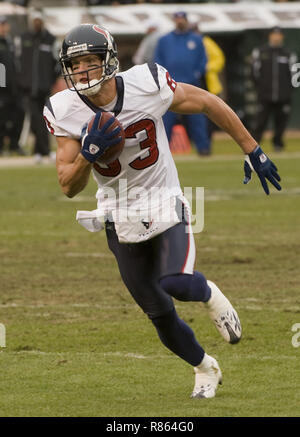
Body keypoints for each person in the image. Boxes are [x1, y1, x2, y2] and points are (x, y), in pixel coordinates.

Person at [43, 24, 281, 399]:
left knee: (177, 283)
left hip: (163, 198)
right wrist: (89, 154)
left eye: (91, 60)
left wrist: (252, 148)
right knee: (158, 312)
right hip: (117, 211)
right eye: (76, 63)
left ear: (110, 61)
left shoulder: (146, 82)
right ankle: (205, 368)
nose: (84, 70)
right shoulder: (64, 109)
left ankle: (211, 296)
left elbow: (206, 101)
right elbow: (68, 186)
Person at [154, 11, 210, 155]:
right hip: (170, 87)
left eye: (182, 19)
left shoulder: (196, 40)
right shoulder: (164, 40)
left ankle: (203, 149)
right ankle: (161, 152)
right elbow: (158, 61)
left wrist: (196, 73)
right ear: (174, 21)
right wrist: (165, 79)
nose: (180, 21)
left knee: (197, 118)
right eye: (177, 19)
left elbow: (203, 60)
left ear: (186, 20)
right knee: (165, 120)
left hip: (192, 86)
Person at [17, 9, 60, 162]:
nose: (36, 23)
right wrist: (21, 80)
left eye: (38, 20)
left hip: (44, 88)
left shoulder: (50, 39)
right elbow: (17, 61)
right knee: (36, 120)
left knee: (43, 119)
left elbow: (58, 63)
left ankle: (39, 152)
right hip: (27, 88)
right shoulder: (24, 38)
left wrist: (50, 80)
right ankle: (45, 151)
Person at [251, 26, 297, 151]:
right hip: (264, 95)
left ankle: (278, 144)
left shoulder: (288, 54)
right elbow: (254, 73)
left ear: (282, 37)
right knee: (260, 122)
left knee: (281, 122)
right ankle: (253, 147)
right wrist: (260, 88)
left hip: (283, 96)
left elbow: (295, 75)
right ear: (270, 36)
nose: (276, 37)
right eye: (274, 34)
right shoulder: (260, 52)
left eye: (279, 35)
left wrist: (288, 91)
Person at [0, 16, 24, 156]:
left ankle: (14, 145)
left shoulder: (11, 43)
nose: (3, 28)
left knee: (19, 114)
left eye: (4, 25)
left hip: (15, 89)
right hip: (2, 89)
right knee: (2, 118)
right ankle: (1, 146)